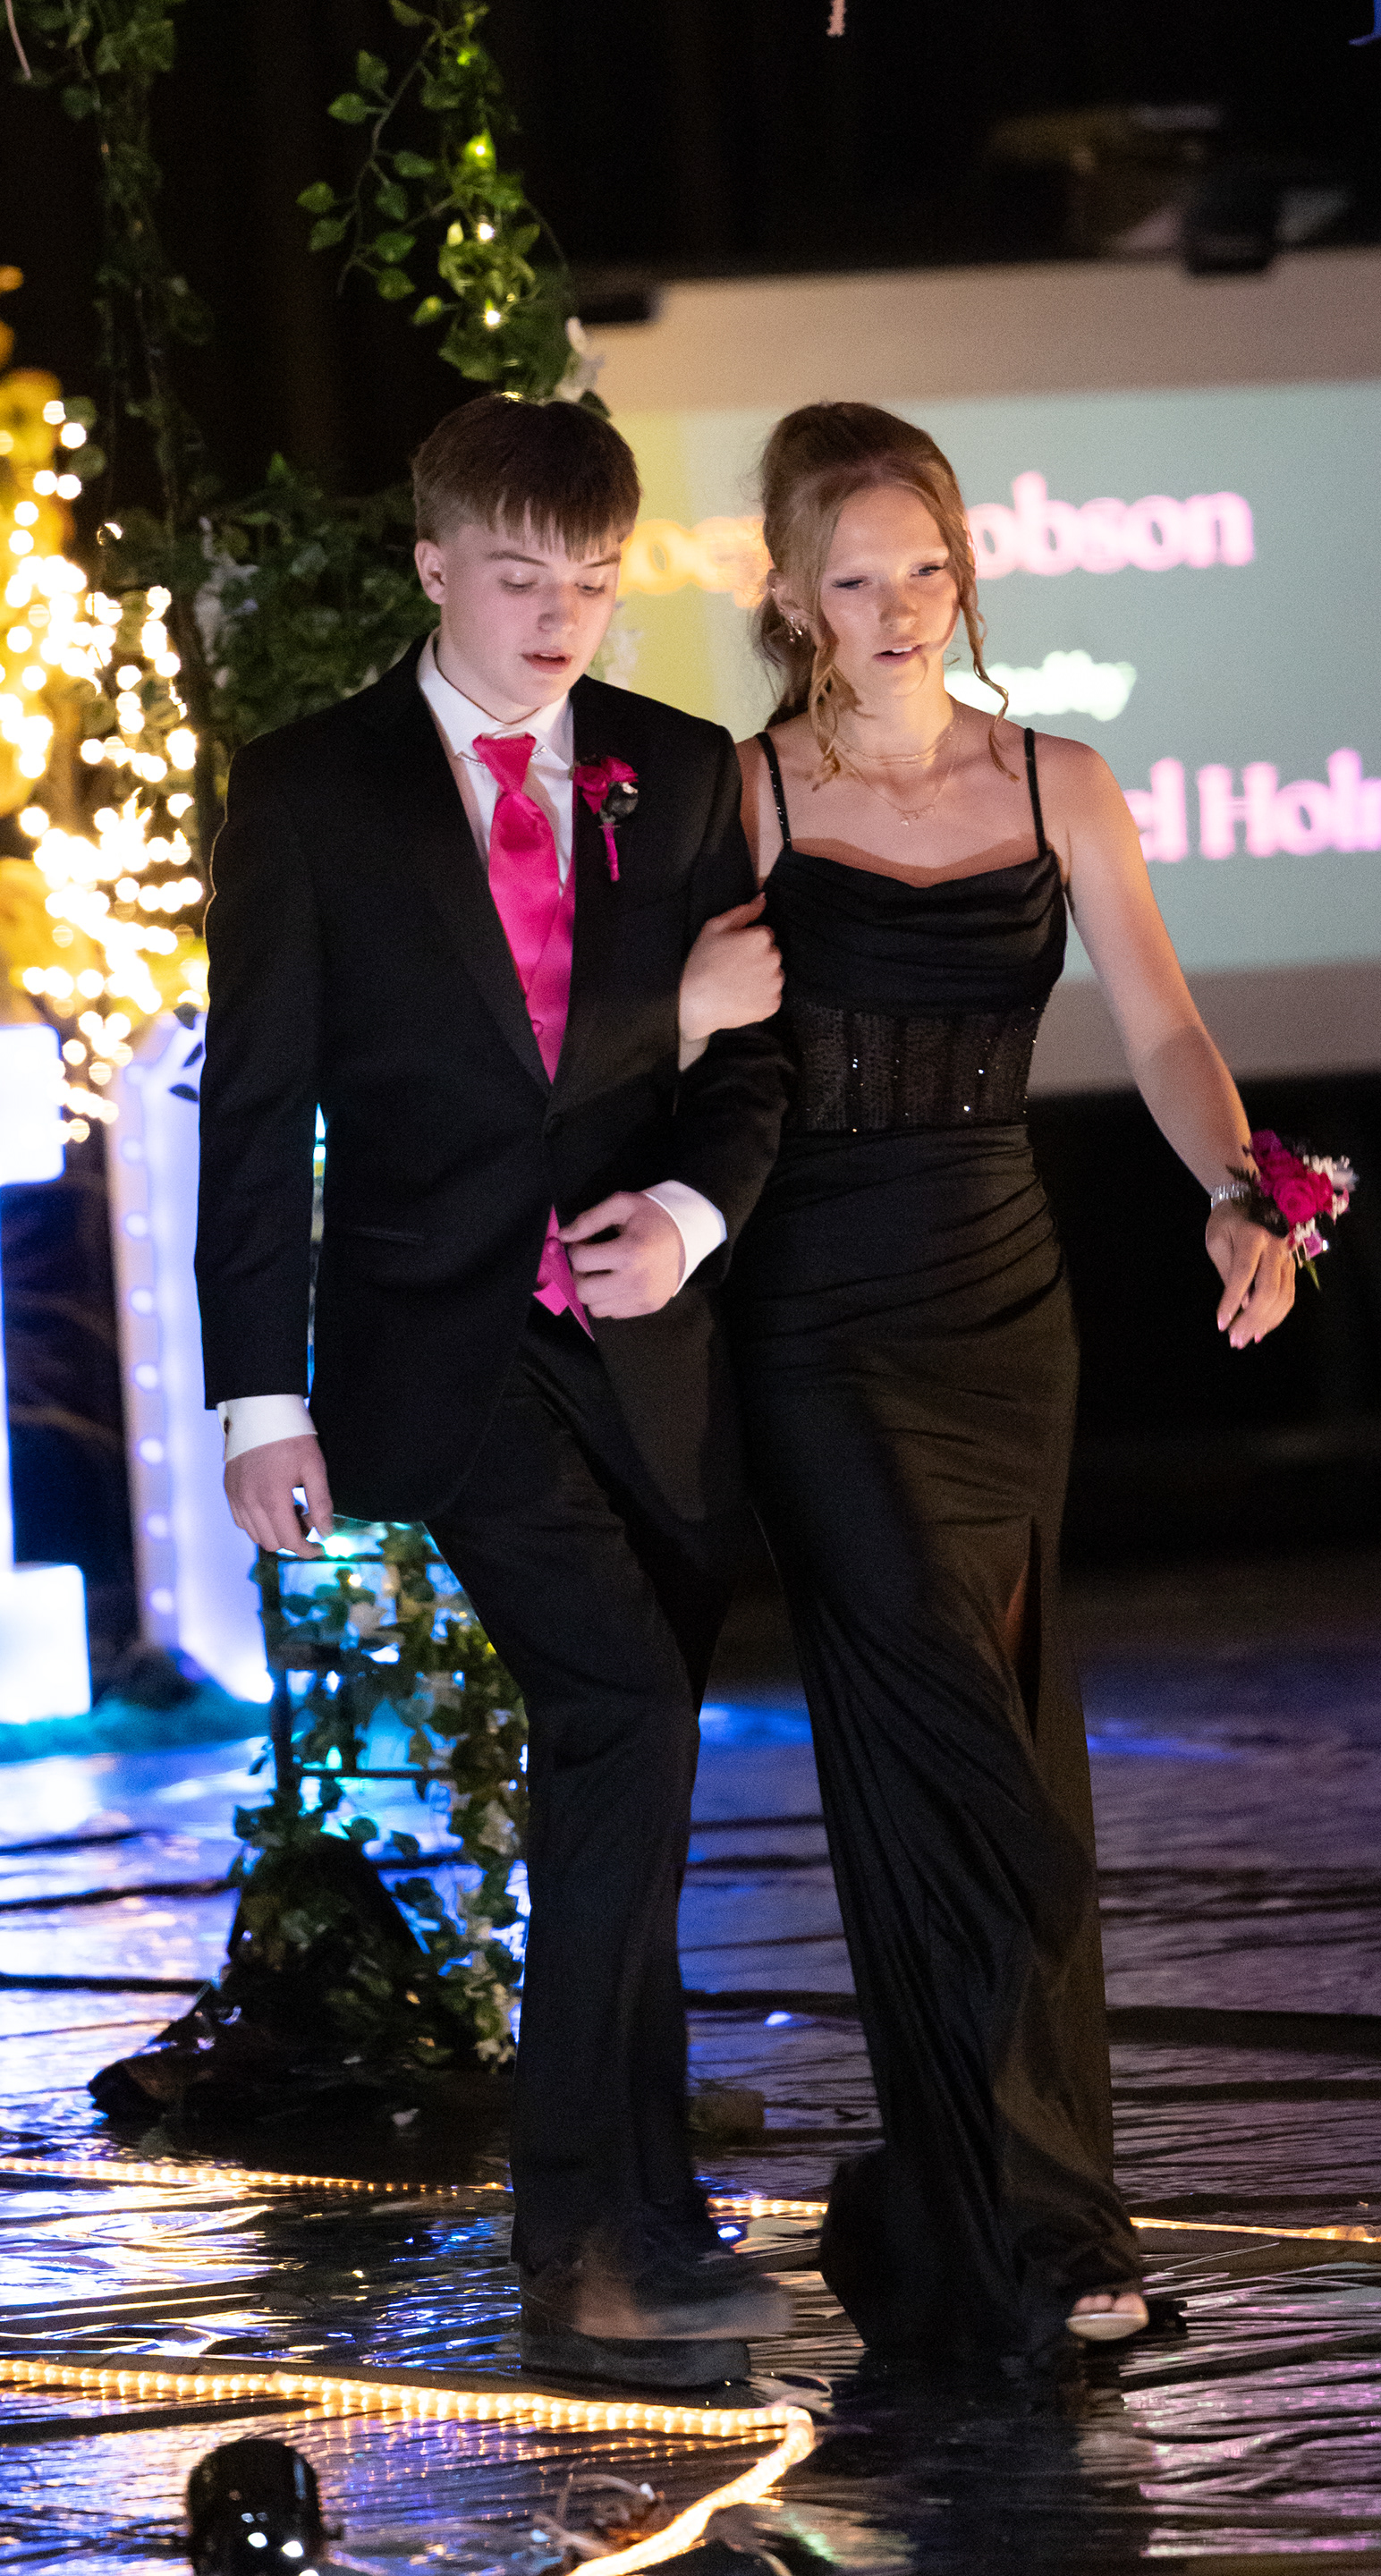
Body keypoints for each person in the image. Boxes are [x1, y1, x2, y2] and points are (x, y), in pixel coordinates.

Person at [196, 392, 794, 2393]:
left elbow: (752, 1065)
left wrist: (693, 1217)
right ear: (434, 566)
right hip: (443, 1349)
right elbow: (256, 1110)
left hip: (646, 1352)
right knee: (627, 1712)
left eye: (594, 585)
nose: (557, 621)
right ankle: (591, 2234)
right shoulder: (314, 790)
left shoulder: (675, 768)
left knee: (635, 1758)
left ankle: (648, 2212)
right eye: (521, 579)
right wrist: (255, 1402)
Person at [713, 400, 1298, 2366]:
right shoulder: (748, 798)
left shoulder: (1061, 780)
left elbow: (1169, 1030)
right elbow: (663, 1055)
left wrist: (1239, 1189)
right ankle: (1001, 2203)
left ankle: (1022, 2233)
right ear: (791, 595)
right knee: (958, 1759)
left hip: (1001, 1302)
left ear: (964, 573)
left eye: (927, 567)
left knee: (1000, 1740)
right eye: (856, 576)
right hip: (815, 1311)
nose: (898, 607)